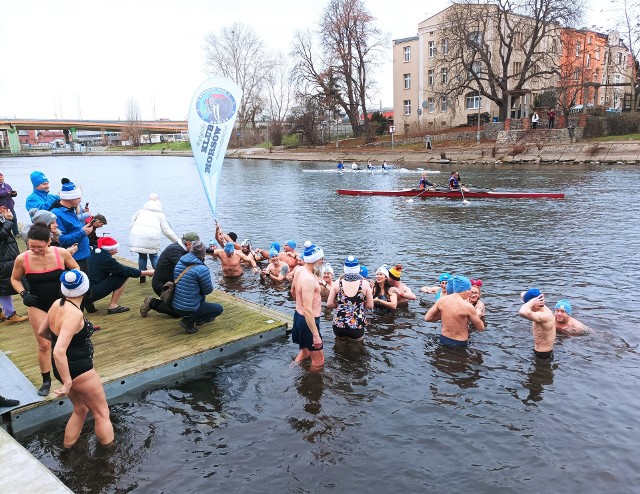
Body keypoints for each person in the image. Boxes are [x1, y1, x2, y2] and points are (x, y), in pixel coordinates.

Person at [37, 269, 114, 448]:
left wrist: (79, 334)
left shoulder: (57, 304)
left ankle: (68, 450)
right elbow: (58, 351)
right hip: (79, 370)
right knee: (101, 413)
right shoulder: (75, 314)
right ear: (85, 289)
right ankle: (109, 460)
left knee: (80, 409)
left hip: (63, 368)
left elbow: (43, 332)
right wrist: (67, 382)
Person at [11, 224, 79, 396]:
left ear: (49, 241)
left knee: (66, 342)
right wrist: (23, 293)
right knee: (43, 344)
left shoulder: (61, 253)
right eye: (31, 246)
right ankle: (46, 380)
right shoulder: (22, 258)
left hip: (61, 304)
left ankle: (70, 376)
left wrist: (70, 284)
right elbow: (15, 279)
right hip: (37, 304)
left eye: (39, 247)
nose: (34, 250)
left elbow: (76, 269)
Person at [87, 237, 154, 314]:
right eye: (114, 249)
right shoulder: (105, 259)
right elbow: (124, 270)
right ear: (108, 249)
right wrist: (147, 272)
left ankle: (88, 303)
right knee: (123, 275)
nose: (117, 251)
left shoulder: (94, 252)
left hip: (83, 291)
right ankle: (113, 306)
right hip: (91, 292)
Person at [140, 232, 199, 318]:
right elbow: (185, 268)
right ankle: (151, 302)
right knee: (178, 312)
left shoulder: (183, 248)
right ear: (189, 244)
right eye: (196, 246)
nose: (197, 248)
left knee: (187, 306)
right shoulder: (175, 251)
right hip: (163, 286)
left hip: (173, 284)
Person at [171, 240, 223, 334]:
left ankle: (193, 317)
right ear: (203, 254)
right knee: (218, 309)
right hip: (188, 308)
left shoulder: (180, 262)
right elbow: (208, 290)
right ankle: (189, 321)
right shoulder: (202, 269)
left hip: (175, 305)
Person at [129, 193, 179, 284]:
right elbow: (167, 231)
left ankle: (142, 278)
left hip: (138, 235)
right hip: (151, 237)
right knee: (154, 256)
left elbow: (131, 224)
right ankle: (159, 276)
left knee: (142, 256)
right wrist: (178, 241)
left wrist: (133, 235)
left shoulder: (140, 211)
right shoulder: (160, 215)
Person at [424, 275, 485, 347]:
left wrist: (443, 314)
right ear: (463, 290)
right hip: (460, 344)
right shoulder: (468, 306)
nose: (469, 293)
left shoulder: (442, 300)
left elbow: (427, 318)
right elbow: (481, 328)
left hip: (443, 340)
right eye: (469, 290)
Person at [291, 241, 325, 367]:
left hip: (298, 317)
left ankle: (289, 371)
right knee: (319, 362)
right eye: (321, 259)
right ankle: (309, 385)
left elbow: (292, 291)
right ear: (316, 260)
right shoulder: (309, 279)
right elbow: (308, 310)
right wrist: (315, 335)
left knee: (305, 352)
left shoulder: (299, 270)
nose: (323, 262)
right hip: (308, 322)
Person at [326, 256, 374, 341]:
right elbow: (370, 305)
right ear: (358, 269)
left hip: (339, 323)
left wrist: (339, 305)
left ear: (345, 268)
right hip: (357, 324)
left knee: (339, 347)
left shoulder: (338, 283)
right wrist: (360, 306)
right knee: (357, 349)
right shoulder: (364, 284)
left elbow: (329, 304)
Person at [0, 205, 28, 324]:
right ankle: (10, 315)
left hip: (4, 257)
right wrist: (7, 221)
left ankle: (4, 313)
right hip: (3, 258)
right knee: (4, 286)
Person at [518, 288, 556, 359]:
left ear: (535, 304)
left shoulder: (545, 316)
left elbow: (522, 312)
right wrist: (536, 297)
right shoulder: (540, 307)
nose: (529, 307)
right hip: (538, 351)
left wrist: (531, 301)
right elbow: (522, 294)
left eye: (529, 304)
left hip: (544, 355)